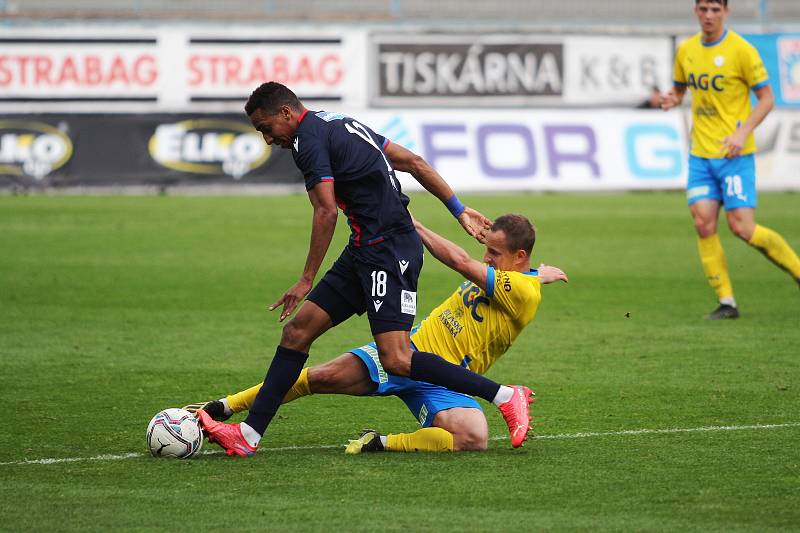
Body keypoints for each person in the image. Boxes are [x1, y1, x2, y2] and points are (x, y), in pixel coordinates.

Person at [201, 82, 534, 457]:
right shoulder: (339, 122)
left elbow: (325, 211)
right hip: (363, 248)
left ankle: (505, 395)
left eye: (265, 127)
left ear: (286, 113)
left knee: (397, 358)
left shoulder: (306, 142)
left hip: (389, 251)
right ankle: (248, 435)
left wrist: (306, 279)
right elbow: (414, 162)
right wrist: (458, 208)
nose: (266, 138)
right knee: (297, 331)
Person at [191, 214, 567, 453]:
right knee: (321, 377)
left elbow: (459, 261)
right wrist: (540, 274)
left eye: (495, 254)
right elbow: (492, 267)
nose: (486, 258)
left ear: (519, 257)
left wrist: (411, 224)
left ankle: (380, 443)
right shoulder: (521, 279)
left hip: (448, 379)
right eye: (486, 250)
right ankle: (222, 408)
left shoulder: (520, 289)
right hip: (407, 350)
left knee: (473, 439)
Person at [661, 0, 800, 320]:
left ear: (726, 12)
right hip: (701, 155)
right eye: (703, 9)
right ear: (696, 11)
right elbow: (681, 89)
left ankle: (797, 270)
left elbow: (767, 99)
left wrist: (743, 132)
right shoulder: (687, 50)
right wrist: (673, 98)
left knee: (743, 228)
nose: (709, 16)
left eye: (715, 10)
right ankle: (727, 301)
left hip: (734, 155)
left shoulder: (742, 50)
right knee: (703, 224)